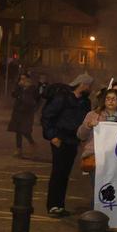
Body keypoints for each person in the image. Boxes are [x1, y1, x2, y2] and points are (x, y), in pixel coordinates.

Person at [41, 73, 93, 217]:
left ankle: (59, 205)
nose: (90, 88)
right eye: (89, 85)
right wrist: (52, 136)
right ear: (82, 84)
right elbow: (47, 116)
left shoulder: (84, 102)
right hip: (60, 139)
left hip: (72, 141)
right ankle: (53, 205)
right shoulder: (62, 98)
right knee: (58, 172)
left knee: (64, 174)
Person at [77, 89, 117, 206]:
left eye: (114, 99)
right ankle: (95, 220)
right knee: (98, 190)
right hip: (96, 158)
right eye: (108, 98)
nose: (110, 101)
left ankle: (110, 217)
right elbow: (80, 135)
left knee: (113, 189)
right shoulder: (93, 115)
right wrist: (88, 125)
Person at [8, 72, 40, 159]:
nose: (22, 80)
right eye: (21, 78)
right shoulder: (19, 87)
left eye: (24, 78)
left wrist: (35, 108)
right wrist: (18, 87)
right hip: (18, 111)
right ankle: (19, 149)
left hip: (27, 112)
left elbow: (37, 99)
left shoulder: (33, 88)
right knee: (18, 130)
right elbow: (13, 94)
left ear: (28, 79)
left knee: (25, 131)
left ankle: (32, 143)